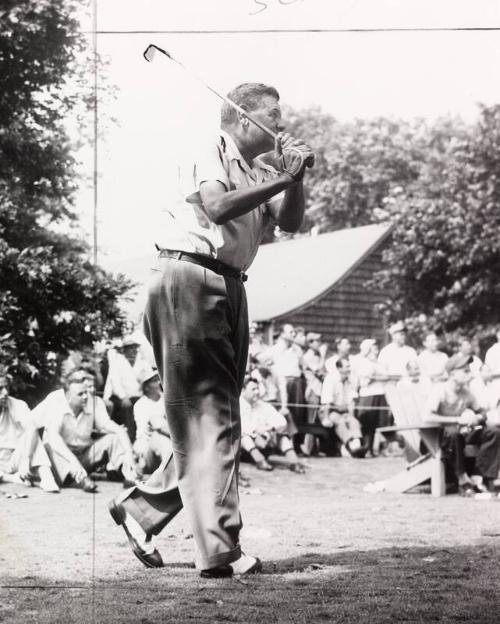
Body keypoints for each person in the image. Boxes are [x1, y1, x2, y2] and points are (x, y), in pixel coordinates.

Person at [108, 82, 314, 577]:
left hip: (228, 285)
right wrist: (282, 178)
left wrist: (296, 177)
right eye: (273, 113)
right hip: (189, 276)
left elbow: (291, 223)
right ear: (244, 118)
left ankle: (142, 511)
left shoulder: (261, 169)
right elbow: (219, 207)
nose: (282, 123)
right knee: (213, 419)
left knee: (213, 421)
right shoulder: (208, 146)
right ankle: (220, 550)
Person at [33, 370, 138, 493]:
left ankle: (128, 474)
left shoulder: (92, 402)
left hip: (84, 455)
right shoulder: (57, 402)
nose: (85, 396)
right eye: (80, 394)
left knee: (113, 438)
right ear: (68, 396)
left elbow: (117, 430)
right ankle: (80, 480)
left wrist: (129, 456)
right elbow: (54, 438)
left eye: (86, 392)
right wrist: (74, 462)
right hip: (62, 457)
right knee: (49, 445)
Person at [424, 354, 500, 495]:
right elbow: (428, 416)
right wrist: (457, 420)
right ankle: (462, 479)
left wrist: (478, 417)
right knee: (454, 433)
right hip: (442, 436)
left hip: (464, 432)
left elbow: (481, 411)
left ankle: (483, 476)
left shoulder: (466, 392)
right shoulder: (440, 390)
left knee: (493, 431)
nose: (469, 374)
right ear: (453, 374)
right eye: (465, 371)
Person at [0, 372, 59, 492]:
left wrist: (26, 459)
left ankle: (46, 476)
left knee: (31, 430)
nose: (5, 393)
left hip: (16, 458)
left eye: (6, 387)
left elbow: (31, 429)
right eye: (0, 389)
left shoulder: (18, 405)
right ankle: (10, 478)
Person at [239, 377, 305, 473]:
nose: (257, 392)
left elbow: (281, 421)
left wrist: (270, 430)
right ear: (243, 390)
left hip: (265, 442)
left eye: (257, 389)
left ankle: (294, 463)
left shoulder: (263, 405)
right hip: (243, 451)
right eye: (253, 389)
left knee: (281, 435)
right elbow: (241, 427)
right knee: (243, 436)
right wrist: (256, 433)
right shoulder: (237, 406)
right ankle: (260, 462)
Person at [103, 335, 146, 442]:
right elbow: (115, 384)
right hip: (120, 397)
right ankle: (130, 439)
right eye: (130, 348)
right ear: (124, 351)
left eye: (135, 348)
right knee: (127, 406)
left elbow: (148, 379)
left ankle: (143, 438)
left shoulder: (142, 363)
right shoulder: (117, 363)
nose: (134, 351)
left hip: (139, 396)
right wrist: (123, 397)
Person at [320, 358, 366, 457]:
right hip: (329, 410)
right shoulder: (330, 379)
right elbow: (327, 401)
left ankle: (357, 445)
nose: (349, 369)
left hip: (344, 410)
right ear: (339, 368)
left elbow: (351, 402)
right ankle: (350, 446)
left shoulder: (351, 380)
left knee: (353, 422)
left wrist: (350, 416)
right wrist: (326, 418)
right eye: (347, 366)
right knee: (340, 422)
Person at [133, 370, 172, 475]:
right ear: (146, 387)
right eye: (154, 381)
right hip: (148, 449)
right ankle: (170, 474)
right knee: (159, 435)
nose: (158, 383)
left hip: (171, 443)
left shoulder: (167, 400)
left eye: (158, 380)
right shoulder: (140, 405)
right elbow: (147, 430)